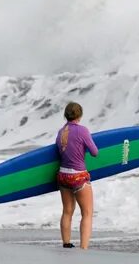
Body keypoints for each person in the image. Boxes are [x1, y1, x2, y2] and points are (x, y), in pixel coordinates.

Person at [56, 102, 98, 249]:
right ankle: (83, 248)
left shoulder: (61, 132)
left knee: (67, 211)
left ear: (66, 115)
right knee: (87, 213)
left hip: (62, 176)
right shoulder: (82, 131)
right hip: (78, 176)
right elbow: (94, 152)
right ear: (80, 115)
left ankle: (66, 244)